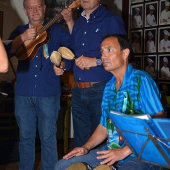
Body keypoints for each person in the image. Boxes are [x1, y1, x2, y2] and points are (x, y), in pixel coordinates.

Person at [55, 34, 165, 170]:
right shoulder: (109, 87)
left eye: (109, 50)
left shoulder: (141, 80)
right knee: (62, 165)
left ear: (125, 53)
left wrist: (124, 151)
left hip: (142, 155)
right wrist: (85, 147)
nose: (103, 56)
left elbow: (158, 120)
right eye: (102, 51)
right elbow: (104, 126)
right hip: (111, 150)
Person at [5, 0, 71, 169]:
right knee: (25, 138)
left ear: (44, 8)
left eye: (38, 6)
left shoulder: (57, 30)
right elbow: (6, 53)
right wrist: (22, 38)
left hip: (49, 93)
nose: (34, 10)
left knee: (48, 139)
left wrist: (63, 66)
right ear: (25, 10)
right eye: (30, 7)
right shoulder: (19, 31)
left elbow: (72, 53)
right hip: (23, 93)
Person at [59, 0, 126, 148]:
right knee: (80, 145)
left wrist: (95, 61)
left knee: (101, 144)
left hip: (102, 90)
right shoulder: (78, 24)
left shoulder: (111, 19)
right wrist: (63, 65)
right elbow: (73, 58)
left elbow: (124, 56)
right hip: (77, 91)